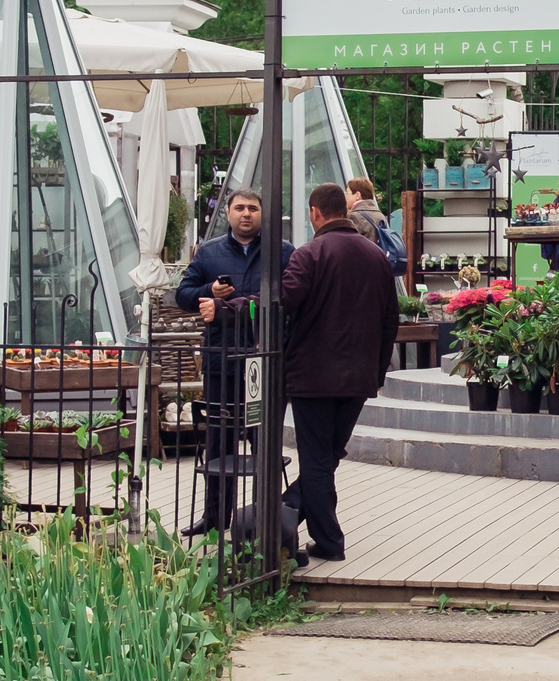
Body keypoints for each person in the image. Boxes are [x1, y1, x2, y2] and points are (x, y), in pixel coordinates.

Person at [279, 182, 401, 562]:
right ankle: (287, 513)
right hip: (358, 377)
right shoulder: (376, 256)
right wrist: (377, 373)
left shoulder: (308, 254)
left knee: (317, 459)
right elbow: (390, 321)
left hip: (312, 376)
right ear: (344, 210)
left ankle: (326, 539)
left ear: (315, 213)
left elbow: (282, 302)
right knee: (328, 455)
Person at [174, 187, 292, 538]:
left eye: (252, 208)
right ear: (228, 213)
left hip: (263, 362)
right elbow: (182, 295)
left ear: (262, 213)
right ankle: (215, 517)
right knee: (218, 441)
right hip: (220, 360)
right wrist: (208, 291)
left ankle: (262, 518)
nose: (246, 214)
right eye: (239, 208)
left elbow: (290, 297)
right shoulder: (209, 253)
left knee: (263, 441)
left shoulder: (281, 252)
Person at [343, 176, 407, 273]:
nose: (345, 197)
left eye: (347, 193)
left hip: (363, 270)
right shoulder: (379, 214)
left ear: (357, 195)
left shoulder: (355, 216)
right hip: (379, 268)